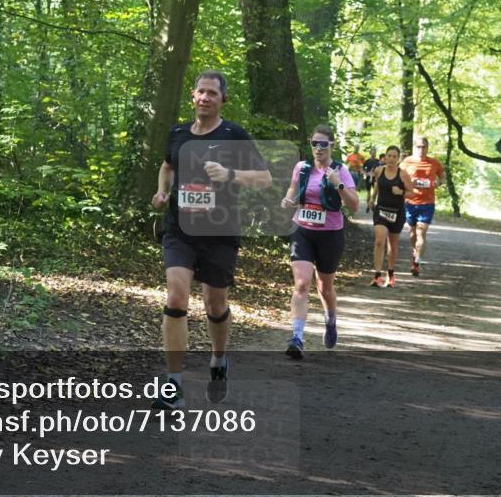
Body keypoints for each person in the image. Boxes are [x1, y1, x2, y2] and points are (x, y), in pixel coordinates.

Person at [150, 70, 271, 409]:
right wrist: (162, 191)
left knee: (215, 305)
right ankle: (174, 385)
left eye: (212, 94)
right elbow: (167, 166)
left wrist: (230, 174)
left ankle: (219, 359)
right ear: (193, 95)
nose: (205, 98)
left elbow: (263, 178)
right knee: (176, 297)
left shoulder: (234, 135)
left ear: (222, 100)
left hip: (219, 232)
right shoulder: (176, 133)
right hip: (180, 229)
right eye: (200, 92)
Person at [279, 125, 359, 359]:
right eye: (315, 143)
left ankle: (330, 319)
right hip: (302, 230)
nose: (318, 148)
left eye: (323, 144)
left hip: (330, 234)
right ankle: (297, 337)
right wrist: (287, 201)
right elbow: (292, 192)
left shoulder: (340, 170)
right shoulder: (301, 168)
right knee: (302, 284)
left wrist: (338, 184)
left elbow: (354, 205)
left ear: (332, 145)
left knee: (325, 287)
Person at [400, 135, 446, 277]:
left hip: (427, 203)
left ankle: (417, 262)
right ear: (415, 147)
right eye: (419, 147)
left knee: (421, 233)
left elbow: (443, 177)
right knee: (413, 234)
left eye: (424, 147)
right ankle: (416, 254)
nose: (421, 149)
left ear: (427, 148)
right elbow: (398, 176)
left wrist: (439, 183)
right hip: (410, 203)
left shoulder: (434, 163)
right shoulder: (407, 162)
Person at [368, 145, 414, 288]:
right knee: (379, 241)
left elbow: (412, 193)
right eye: (389, 156)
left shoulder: (403, 174)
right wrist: (372, 199)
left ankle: (391, 274)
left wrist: (400, 192)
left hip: (397, 212)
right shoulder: (379, 170)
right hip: (381, 210)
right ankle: (377, 276)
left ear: (398, 159)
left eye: (395, 156)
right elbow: (377, 185)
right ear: (385, 157)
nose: (392, 159)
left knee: (392, 245)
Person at [362, 148, 381, 213]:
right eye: (372, 152)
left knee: (375, 192)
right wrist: (367, 173)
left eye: (375, 152)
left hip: (375, 178)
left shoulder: (378, 161)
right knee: (368, 192)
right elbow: (363, 170)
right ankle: (368, 205)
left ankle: (372, 205)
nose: (373, 153)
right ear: (370, 153)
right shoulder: (367, 161)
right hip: (368, 178)